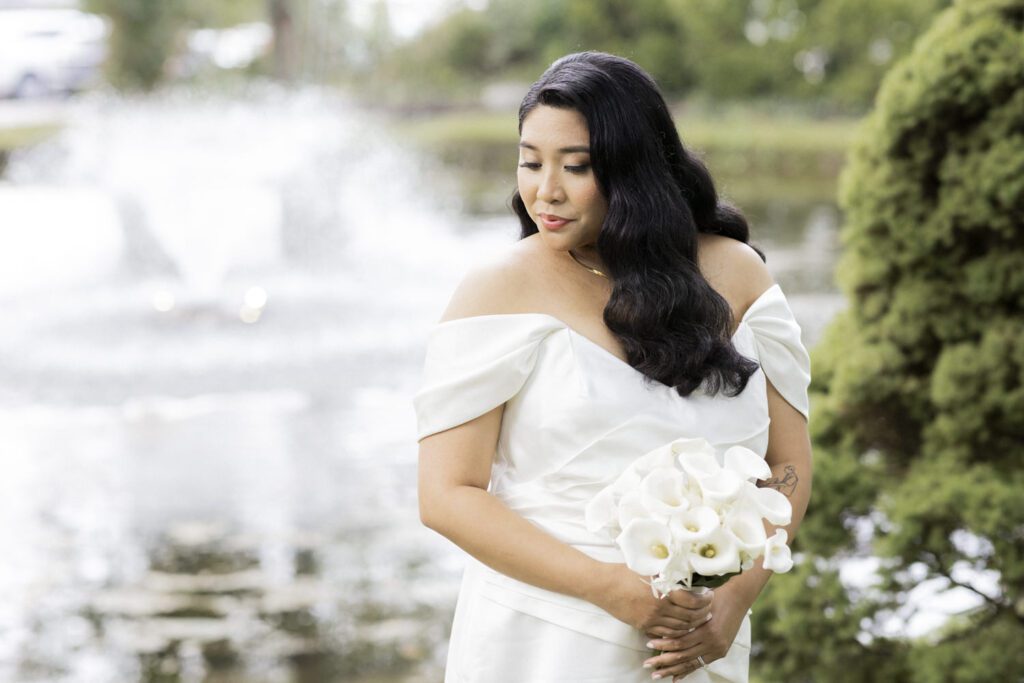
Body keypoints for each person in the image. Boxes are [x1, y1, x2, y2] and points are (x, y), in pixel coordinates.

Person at [413, 51, 812, 683]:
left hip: (697, 642)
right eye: (530, 161)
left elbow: (787, 464)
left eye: (576, 167)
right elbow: (446, 496)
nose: (546, 189)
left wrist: (734, 602)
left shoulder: (740, 275)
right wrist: (608, 588)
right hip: (546, 634)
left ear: (636, 170)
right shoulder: (497, 290)